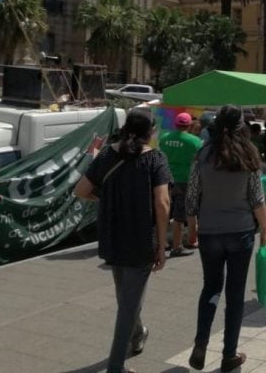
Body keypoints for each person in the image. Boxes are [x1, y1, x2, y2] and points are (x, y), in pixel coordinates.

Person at [74, 111, 171, 373]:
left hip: (112, 237)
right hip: (141, 240)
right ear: (149, 132)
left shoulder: (106, 154)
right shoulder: (155, 158)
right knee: (128, 303)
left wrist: (106, 201)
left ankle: (138, 334)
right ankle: (115, 367)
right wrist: (162, 245)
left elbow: (81, 190)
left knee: (126, 297)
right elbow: (162, 204)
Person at [185, 106, 266, 373]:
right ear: (241, 127)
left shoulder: (203, 155)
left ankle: (201, 342)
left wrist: (192, 228)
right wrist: (265, 229)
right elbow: (257, 198)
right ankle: (229, 354)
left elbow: (191, 197)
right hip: (240, 232)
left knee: (210, 288)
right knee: (235, 295)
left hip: (210, 232)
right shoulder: (248, 154)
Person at [159, 112, 203, 255]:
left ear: (175, 124)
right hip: (185, 181)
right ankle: (177, 247)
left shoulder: (164, 139)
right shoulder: (195, 141)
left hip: (165, 181)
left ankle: (162, 243)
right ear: (189, 125)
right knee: (179, 216)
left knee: (163, 213)